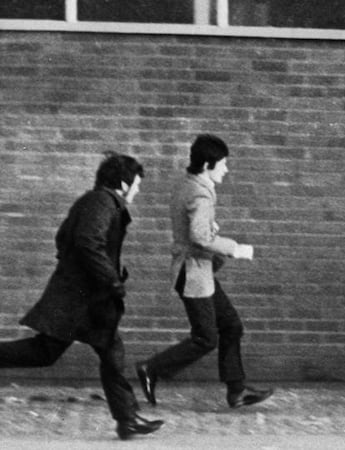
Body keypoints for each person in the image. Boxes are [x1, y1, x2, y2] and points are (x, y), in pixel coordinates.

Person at [0, 153, 163, 440]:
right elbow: (87, 240)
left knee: (109, 352)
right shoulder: (101, 202)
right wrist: (111, 280)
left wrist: (79, 270)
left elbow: (63, 238)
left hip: (86, 299)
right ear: (123, 184)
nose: (137, 190)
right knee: (46, 353)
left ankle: (127, 420)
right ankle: (127, 419)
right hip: (82, 300)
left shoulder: (94, 201)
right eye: (136, 184)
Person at [135, 134, 274, 409]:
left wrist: (211, 230)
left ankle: (236, 390)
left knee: (231, 325)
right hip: (193, 274)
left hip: (200, 271)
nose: (226, 169)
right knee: (206, 337)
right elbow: (199, 237)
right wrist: (235, 248)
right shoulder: (200, 192)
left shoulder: (188, 185)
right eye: (223, 164)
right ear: (209, 164)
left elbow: (193, 231)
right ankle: (151, 369)